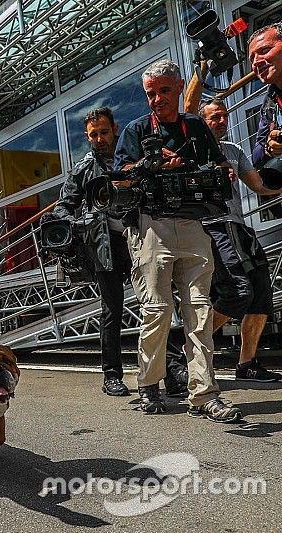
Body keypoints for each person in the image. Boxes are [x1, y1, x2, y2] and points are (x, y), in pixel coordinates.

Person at [113, 59, 241, 423]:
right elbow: (119, 177)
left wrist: (223, 170)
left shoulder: (197, 127)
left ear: (180, 87)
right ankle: (150, 384)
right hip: (150, 225)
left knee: (199, 310)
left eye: (165, 91)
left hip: (193, 223)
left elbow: (218, 165)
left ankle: (204, 394)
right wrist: (148, 165)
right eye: (151, 93)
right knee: (156, 310)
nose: (157, 99)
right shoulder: (137, 130)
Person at [48, 107, 189, 397]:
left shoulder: (137, 158)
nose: (99, 139)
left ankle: (172, 372)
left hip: (141, 238)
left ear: (115, 129)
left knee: (156, 304)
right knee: (112, 311)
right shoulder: (84, 168)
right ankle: (111, 375)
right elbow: (64, 204)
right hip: (106, 246)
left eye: (103, 132)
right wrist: (73, 223)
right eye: (92, 135)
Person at [197, 98, 281, 382]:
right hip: (211, 227)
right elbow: (188, 103)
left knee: (261, 295)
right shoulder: (193, 150)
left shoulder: (233, 150)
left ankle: (247, 364)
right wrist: (203, 70)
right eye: (214, 117)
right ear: (201, 121)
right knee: (237, 292)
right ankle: (190, 345)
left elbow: (258, 185)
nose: (221, 121)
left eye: (224, 116)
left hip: (239, 227)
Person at [249, 23, 282, 171]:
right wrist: (270, 146)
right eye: (252, 59)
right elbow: (256, 156)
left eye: (265, 50)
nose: (256, 62)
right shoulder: (270, 102)